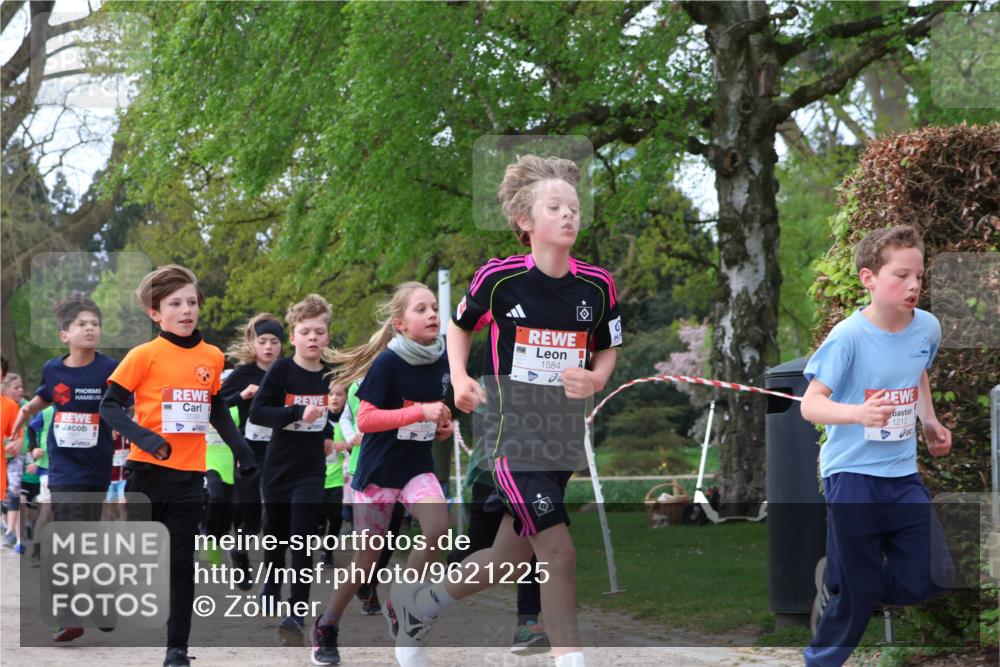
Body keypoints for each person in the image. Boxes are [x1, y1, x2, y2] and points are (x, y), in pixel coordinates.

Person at [383, 154, 622, 667]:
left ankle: (419, 605)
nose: (569, 214)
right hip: (510, 437)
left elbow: (607, 347)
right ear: (524, 220)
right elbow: (459, 326)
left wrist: (597, 378)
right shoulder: (499, 278)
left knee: (510, 557)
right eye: (554, 207)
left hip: (561, 437)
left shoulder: (597, 285)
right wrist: (460, 378)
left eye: (574, 207)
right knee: (559, 554)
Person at [800, 225, 953, 667]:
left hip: (902, 476)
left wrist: (929, 420)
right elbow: (810, 405)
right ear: (868, 278)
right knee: (857, 593)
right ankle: (822, 658)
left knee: (934, 575)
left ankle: (844, 580)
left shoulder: (927, 328)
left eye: (918, 276)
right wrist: (859, 414)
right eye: (901, 276)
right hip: (852, 477)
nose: (913, 285)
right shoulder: (847, 336)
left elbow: (917, 372)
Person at [99, 264, 256, 667]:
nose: (186, 310)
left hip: (189, 476)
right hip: (146, 474)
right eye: (175, 304)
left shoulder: (212, 356)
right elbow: (109, 407)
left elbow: (215, 407)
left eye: (191, 302)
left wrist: (241, 448)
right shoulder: (143, 355)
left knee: (180, 564)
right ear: (156, 313)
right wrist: (146, 438)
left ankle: (177, 649)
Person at [311, 282, 454, 667]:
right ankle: (327, 624)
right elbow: (366, 419)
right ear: (400, 323)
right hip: (378, 473)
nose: (432, 314)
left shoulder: (442, 356)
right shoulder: (387, 363)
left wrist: (442, 424)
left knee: (439, 528)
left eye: (434, 307)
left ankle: (400, 600)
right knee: (366, 562)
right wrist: (421, 412)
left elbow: (435, 409)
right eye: (421, 309)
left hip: (416, 468)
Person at [248, 294, 334, 646]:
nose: (313, 338)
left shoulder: (331, 373)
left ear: (328, 336)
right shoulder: (282, 370)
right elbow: (258, 412)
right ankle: (271, 582)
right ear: (294, 337)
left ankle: (296, 613)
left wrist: (328, 431)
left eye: (319, 332)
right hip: (278, 468)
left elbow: (334, 412)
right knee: (276, 534)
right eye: (305, 332)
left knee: (301, 537)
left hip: (311, 470)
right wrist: (297, 413)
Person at [220, 312, 284, 577]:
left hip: (281, 450)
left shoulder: (287, 371)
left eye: (274, 342)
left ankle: (273, 570)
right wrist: (242, 395)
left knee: (275, 511)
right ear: (253, 344)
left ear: (282, 345)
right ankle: (240, 549)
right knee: (252, 516)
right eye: (263, 341)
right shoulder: (243, 373)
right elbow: (216, 406)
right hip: (249, 450)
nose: (268, 347)